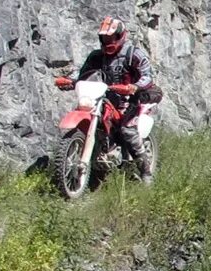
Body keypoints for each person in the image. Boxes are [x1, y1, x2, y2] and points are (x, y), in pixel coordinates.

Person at [66, 17, 157, 181]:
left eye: (111, 38)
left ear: (120, 36)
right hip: (104, 98)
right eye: (105, 38)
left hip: (130, 100)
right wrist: (70, 81)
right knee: (89, 113)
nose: (108, 41)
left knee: (127, 130)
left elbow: (148, 76)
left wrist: (135, 86)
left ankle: (146, 173)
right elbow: (83, 73)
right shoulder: (96, 56)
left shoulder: (133, 54)